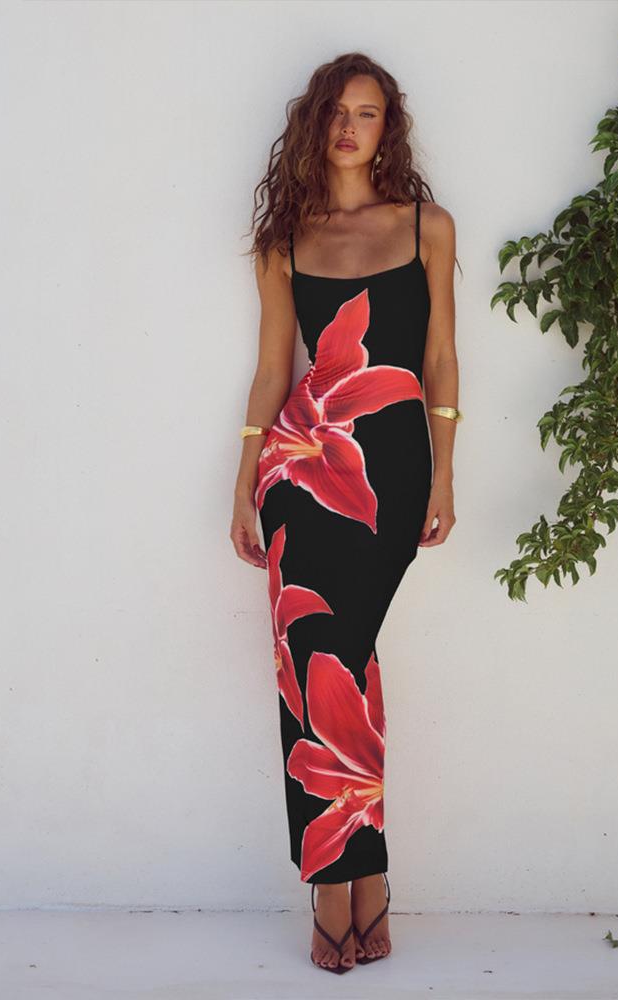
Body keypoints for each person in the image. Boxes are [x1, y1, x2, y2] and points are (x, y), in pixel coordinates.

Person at [231, 52, 461, 974]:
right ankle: (346, 882)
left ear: (386, 128)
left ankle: (352, 868)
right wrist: (244, 480)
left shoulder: (427, 225)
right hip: (300, 467)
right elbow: (272, 367)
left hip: (391, 472)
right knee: (315, 665)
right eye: (336, 111)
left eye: (367, 113)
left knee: (344, 655)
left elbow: (439, 358)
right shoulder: (285, 240)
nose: (349, 128)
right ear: (314, 123)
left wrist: (445, 475)